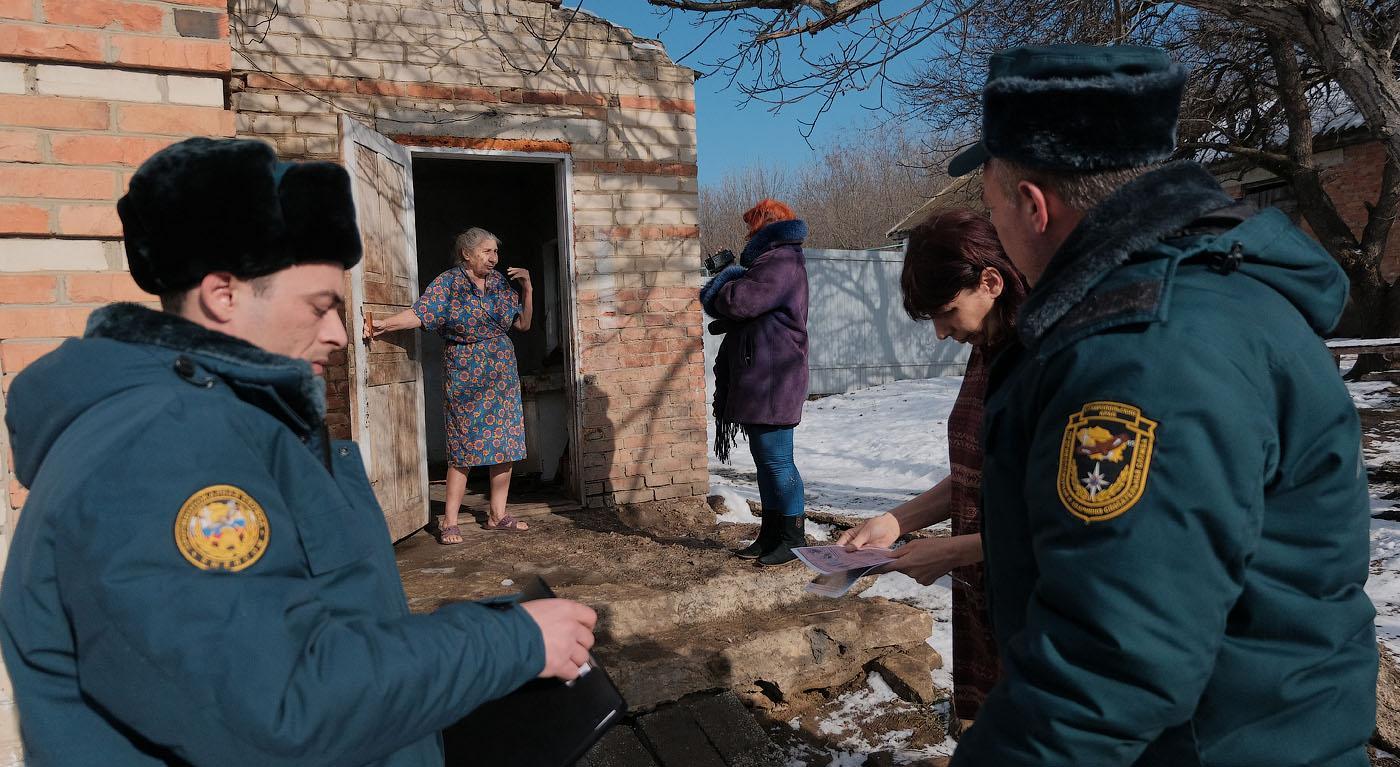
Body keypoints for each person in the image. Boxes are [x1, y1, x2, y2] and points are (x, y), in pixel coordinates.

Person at [0, 137, 597, 766]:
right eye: (321, 307)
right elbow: (282, 701)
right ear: (223, 295)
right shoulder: (160, 452)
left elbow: (306, 631)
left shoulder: (226, 424)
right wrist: (509, 642)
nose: (340, 334)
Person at [941, 45, 1376, 765]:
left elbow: (1109, 663)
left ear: (1032, 206)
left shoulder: (1145, 354)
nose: (1002, 240)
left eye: (993, 211)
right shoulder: (1204, 299)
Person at [838, 208, 1027, 733]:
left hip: (1039, 612)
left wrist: (952, 551)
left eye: (947, 313)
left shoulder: (1047, 359)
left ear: (990, 282)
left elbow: (1069, 525)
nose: (943, 334)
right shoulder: (988, 347)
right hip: (987, 597)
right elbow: (977, 476)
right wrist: (897, 522)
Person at [368, 229, 532, 542]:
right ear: (467, 254)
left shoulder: (498, 283)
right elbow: (420, 314)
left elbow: (523, 324)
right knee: (464, 448)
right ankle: (450, 522)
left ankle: (498, 515)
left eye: (495, 252)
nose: (493, 259)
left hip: (501, 374)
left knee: (505, 445)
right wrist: (382, 325)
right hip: (466, 372)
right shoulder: (449, 284)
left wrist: (527, 286)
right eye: (487, 252)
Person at [701, 199, 810, 566]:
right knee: (766, 461)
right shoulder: (772, 260)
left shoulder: (780, 260)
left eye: (752, 226)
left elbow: (740, 301)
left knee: (778, 461)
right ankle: (771, 534)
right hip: (765, 374)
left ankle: (794, 539)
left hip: (774, 376)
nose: (749, 232)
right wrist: (730, 274)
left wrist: (724, 278)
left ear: (765, 225)